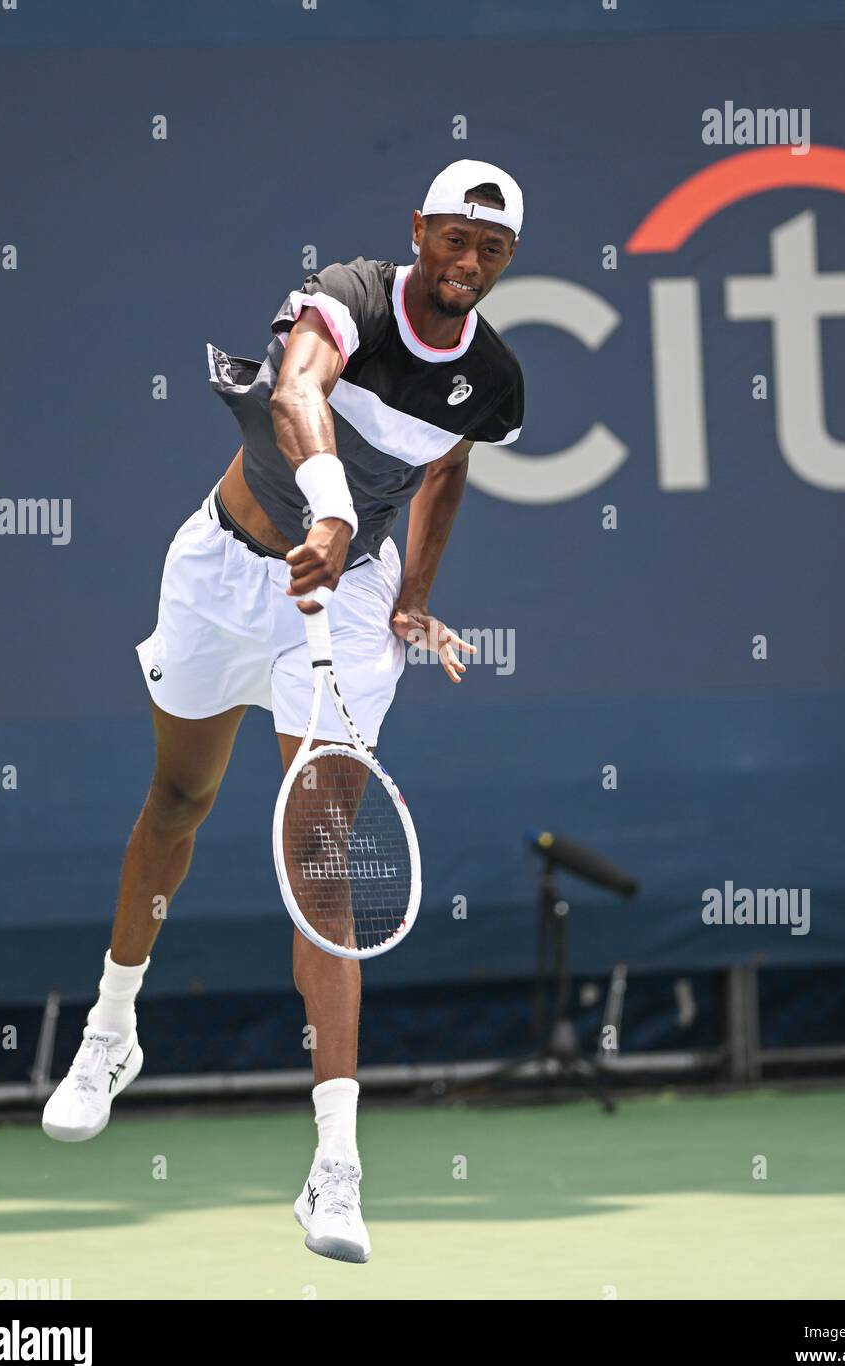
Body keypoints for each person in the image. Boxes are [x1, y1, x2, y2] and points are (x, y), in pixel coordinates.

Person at [41, 158, 525, 1264]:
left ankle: (336, 1167)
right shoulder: (349, 295)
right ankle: (113, 1031)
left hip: (347, 610)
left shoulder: (491, 380)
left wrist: (411, 597)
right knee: (179, 799)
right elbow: (294, 390)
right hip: (225, 569)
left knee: (323, 862)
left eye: (491, 249)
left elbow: (447, 468)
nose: (468, 260)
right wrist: (330, 509)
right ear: (419, 231)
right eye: (454, 236)